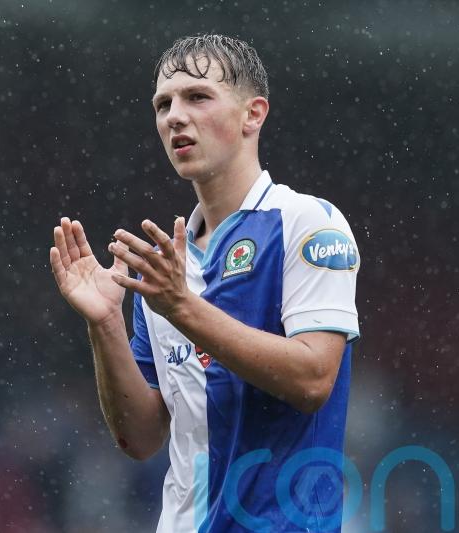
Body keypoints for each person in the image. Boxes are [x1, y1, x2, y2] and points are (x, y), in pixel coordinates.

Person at [50, 34, 360, 532]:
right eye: (162, 104)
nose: (175, 116)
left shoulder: (309, 223)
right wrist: (105, 323)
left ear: (252, 115)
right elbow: (142, 438)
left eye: (197, 97)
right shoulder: (162, 270)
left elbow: (312, 380)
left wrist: (182, 307)